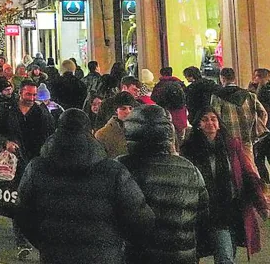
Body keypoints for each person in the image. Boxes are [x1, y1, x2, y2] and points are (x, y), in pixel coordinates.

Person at [17, 109, 154, 264]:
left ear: (57, 130)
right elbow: (140, 217)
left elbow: (23, 214)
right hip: (104, 255)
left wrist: (44, 241)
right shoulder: (113, 171)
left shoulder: (36, 168)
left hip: (54, 254)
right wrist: (116, 241)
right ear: (91, 132)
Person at [117, 105, 208, 264]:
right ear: (168, 132)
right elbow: (202, 217)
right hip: (180, 255)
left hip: (135, 256)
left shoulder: (120, 167)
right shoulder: (189, 169)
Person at [181, 107, 270, 263]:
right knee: (225, 255)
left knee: (229, 249)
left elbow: (248, 174)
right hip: (211, 211)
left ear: (219, 123)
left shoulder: (231, 146)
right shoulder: (191, 150)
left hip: (234, 208)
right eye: (205, 119)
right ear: (198, 125)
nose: (210, 122)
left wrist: (261, 205)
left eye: (213, 119)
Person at [0, 80, 55, 259]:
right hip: (15, 163)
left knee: (34, 202)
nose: (32, 98)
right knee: (18, 201)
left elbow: (50, 134)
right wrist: (6, 143)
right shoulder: (7, 110)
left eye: (34, 95)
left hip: (36, 162)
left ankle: (33, 236)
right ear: (20, 93)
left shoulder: (41, 113)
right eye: (29, 94)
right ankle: (21, 241)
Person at [211, 67, 268, 161]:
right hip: (247, 136)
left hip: (228, 138)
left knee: (233, 165)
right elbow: (263, 113)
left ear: (222, 78)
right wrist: (257, 129)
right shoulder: (249, 95)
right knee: (249, 165)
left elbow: (215, 117)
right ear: (234, 78)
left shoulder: (217, 96)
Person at [151, 66, 188, 145]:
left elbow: (153, 97)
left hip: (165, 115)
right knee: (181, 138)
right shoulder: (179, 83)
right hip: (180, 116)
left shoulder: (160, 85)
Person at [95, 92, 138, 158]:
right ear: (116, 110)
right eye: (123, 108)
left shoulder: (139, 132)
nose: (128, 111)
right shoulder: (102, 134)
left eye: (131, 108)